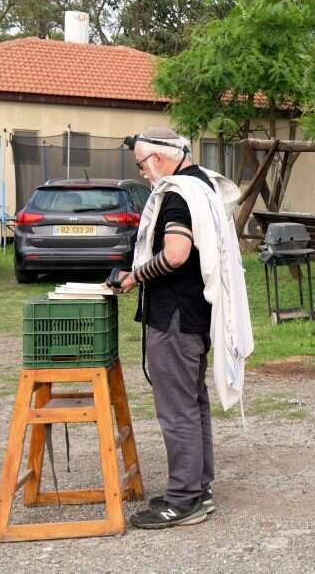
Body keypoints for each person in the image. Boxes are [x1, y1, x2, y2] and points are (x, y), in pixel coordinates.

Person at [111, 127, 254, 529]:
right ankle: (198, 488)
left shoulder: (176, 194)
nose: (142, 172)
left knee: (177, 409)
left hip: (175, 318)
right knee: (192, 403)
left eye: (141, 164)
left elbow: (176, 254)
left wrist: (133, 278)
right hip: (194, 315)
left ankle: (183, 500)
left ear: (158, 158)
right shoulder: (203, 185)